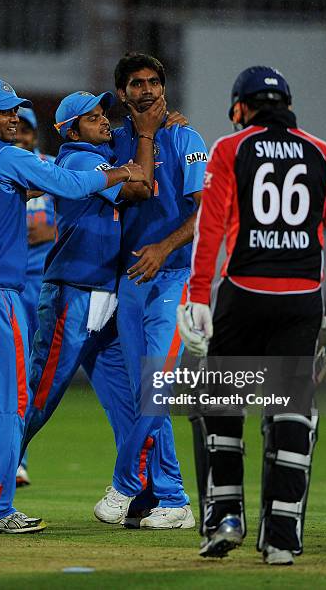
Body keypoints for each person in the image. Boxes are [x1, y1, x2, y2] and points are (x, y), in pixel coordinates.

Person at [0, 79, 145, 535]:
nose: (13, 117)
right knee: (7, 403)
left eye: (16, 109)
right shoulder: (4, 155)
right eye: (3, 112)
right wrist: (119, 172)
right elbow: (72, 184)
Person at [177, 66, 326, 564]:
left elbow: (211, 229)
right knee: (290, 415)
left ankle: (225, 518)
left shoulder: (230, 148)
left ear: (243, 106)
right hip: (301, 300)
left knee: (221, 407)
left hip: (243, 294)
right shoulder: (323, 153)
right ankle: (281, 540)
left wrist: (199, 297)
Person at [93, 53, 207, 530]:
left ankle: (127, 486)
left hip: (173, 278)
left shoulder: (188, 138)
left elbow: (205, 215)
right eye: (136, 84)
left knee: (156, 386)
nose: (146, 91)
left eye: (153, 82)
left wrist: (163, 246)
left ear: (163, 88)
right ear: (122, 94)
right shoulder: (112, 143)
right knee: (146, 392)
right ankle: (172, 499)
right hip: (129, 283)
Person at [20, 90, 156, 486]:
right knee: (40, 397)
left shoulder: (103, 157)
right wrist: (145, 139)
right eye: (92, 117)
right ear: (70, 130)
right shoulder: (79, 158)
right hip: (74, 291)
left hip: (102, 293)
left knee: (128, 402)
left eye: (103, 114)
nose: (103, 121)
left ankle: (141, 492)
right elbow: (140, 187)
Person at [15, 106, 56, 488]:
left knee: (30, 372)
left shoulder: (51, 166)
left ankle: (14, 457)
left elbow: (81, 217)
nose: (22, 137)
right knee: (14, 373)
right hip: (8, 281)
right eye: (17, 129)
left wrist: (53, 233)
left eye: (27, 130)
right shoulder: (0, 167)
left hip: (44, 284)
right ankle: (14, 459)